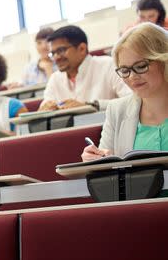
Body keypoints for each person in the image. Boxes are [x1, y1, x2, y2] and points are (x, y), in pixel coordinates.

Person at [82, 22, 168, 163]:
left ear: (164, 60)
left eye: (140, 66)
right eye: (124, 70)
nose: (132, 77)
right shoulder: (117, 110)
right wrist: (94, 160)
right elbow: (105, 170)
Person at [39, 25, 133, 112]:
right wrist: (46, 108)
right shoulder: (55, 78)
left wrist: (92, 106)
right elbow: (44, 107)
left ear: (82, 49)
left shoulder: (108, 65)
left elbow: (132, 100)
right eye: (53, 53)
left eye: (61, 50)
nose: (56, 57)